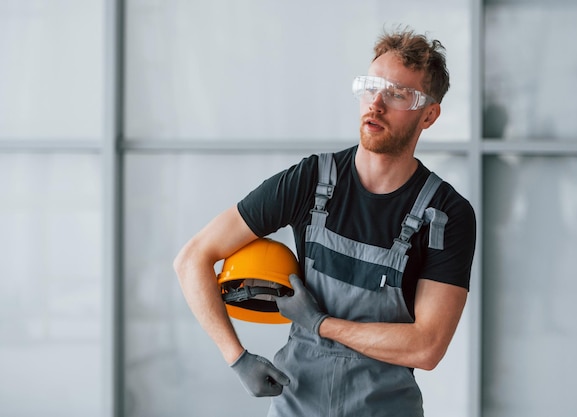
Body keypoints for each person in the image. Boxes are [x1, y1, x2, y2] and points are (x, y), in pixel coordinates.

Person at [174, 27, 476, 417]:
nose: (376, 104)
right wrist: (237, 359)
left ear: (429, 115)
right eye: (370, 88)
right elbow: (192, 258)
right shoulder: (311, 181)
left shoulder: (445, 214)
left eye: (398, 94)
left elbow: (427, 347)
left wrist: (319, 323)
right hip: (296, 404)